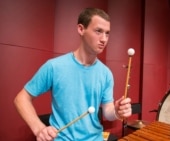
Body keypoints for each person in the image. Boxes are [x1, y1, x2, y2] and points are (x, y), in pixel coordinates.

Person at [14, 7, 132, 141]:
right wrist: (39, 128)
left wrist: (116, 111)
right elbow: (21, 99)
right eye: (98, 31)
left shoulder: (106, 73)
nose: (104, 39)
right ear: (81, 29)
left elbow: (108, 111)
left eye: (107, 33)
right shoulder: (54, 66)